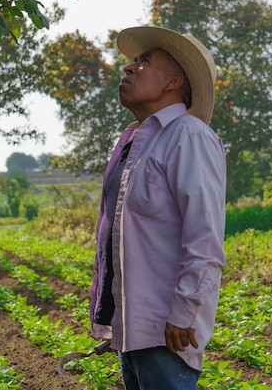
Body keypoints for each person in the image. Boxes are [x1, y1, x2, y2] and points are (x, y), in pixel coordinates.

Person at [89, 26, 226, 390]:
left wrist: (183, 315)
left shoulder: (189, 136)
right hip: (134, 333)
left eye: (144, 62)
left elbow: (205, 238)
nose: (129, 69)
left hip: (167, 335)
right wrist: (116, 320)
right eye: (133, 62)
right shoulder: (134, 143)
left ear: (173, 82)